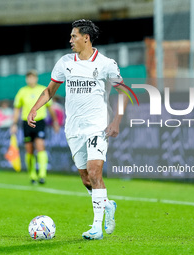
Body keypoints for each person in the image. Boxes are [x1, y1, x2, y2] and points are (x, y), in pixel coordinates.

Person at [27, 19, 128, 240]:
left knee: (94, 172)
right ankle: (108, 204)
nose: (70, 40)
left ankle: (96, 227)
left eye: (74, 36)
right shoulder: (64, 62)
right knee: (85, 178)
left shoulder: (105, 64)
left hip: (97, 126)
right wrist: (35, 108)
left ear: (86, 38)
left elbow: (125, 93)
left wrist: (116, 121)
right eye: (71, 36)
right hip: (73, 128)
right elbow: (50, 90)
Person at [11, 70, 59, 185]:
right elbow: (17, 108)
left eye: (33, 77)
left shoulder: (42, 90)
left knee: (40, 146)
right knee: (29, 149)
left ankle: (42, 175)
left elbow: (50, 107)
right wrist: (14, 124)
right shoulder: (22, 91)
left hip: (39, 121)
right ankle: (32, 175)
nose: (31, 80)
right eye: (29, 77)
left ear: (36, 78)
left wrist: (55, 121)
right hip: (26, 122)